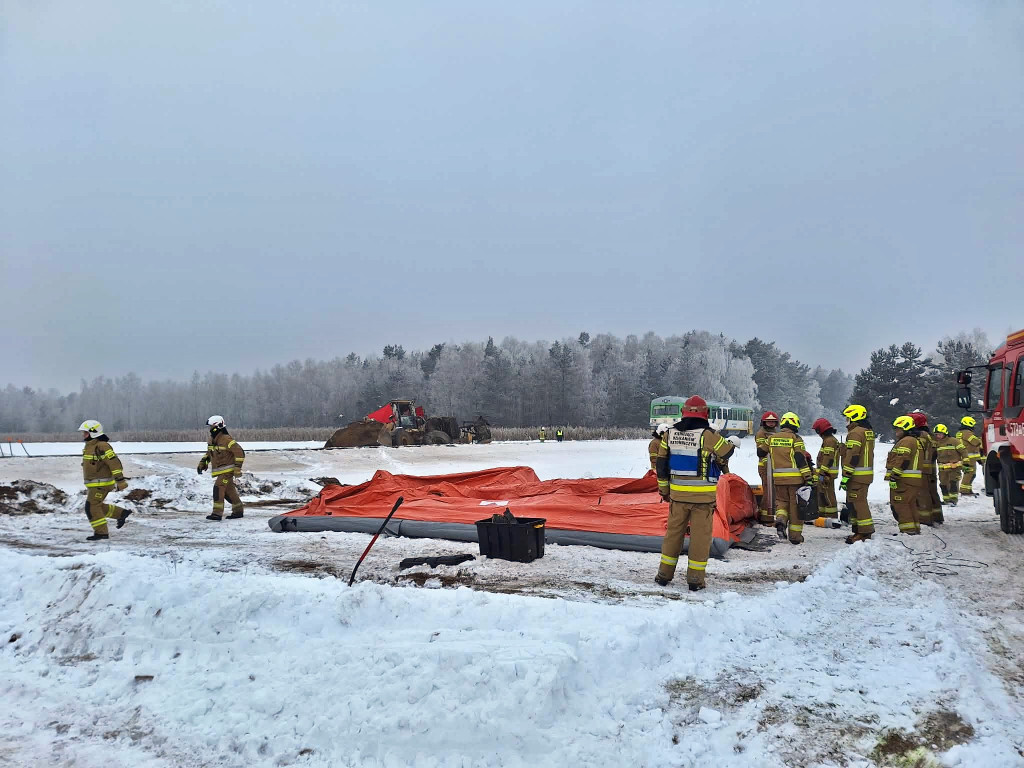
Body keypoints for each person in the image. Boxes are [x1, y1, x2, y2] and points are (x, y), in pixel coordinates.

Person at [654, 395, 735, 591]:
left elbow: (661, 464)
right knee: (700, 538)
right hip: (703, 499)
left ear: (683, 413)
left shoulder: (669, 435)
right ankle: (695, 580)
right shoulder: (708, 435)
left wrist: (664, 490)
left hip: (677, 496)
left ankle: (664, 575)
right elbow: (727, 452)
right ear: (705, 414)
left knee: (673, 535)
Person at [78, 420, 131, 541]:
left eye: (85, 433)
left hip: (101, 484)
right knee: (97, 506)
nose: (83, 435)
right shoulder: (90, 446)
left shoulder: (102, 446)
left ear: (93, 432)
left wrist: (120, 480)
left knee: (91, 507)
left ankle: (101, 533)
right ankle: (121, 513)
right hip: (96, 484)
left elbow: (114, 463)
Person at [769, 412, 813, 544]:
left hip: (779, 479)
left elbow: (761, 451)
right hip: (795, 480)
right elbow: (800, 458)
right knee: (796, 507)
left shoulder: (772, 438)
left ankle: (781, 520)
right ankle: (795, 537)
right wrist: (808, 476)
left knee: (782, 503)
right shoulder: (796, 439)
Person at [197, 415, 246, 521]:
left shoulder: (226, 439)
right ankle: (238, 511)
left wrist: (237, 468)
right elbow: (209, 453)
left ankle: (217, 514)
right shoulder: (212, 439)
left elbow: (240, 453)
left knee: (218, 488)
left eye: (211, 426)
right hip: (221, 470)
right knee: (230, 492)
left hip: (227, 471)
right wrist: (202, 463)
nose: (209, 429)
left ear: (218, 426)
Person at [840, 404, 876, 544]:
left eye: (848, 418)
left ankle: (864, 532)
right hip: (864, 474)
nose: (846, 421)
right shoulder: (867, 431)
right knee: (855, 502)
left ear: (854, 417)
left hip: (856, 475)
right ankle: (858, 530)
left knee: (858, 503)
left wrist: (846, 475)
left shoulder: (855, 433)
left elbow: (853, 455)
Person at [886, 415, 924, 535]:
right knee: (910, 504)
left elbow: (903, 460)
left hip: (904, 480)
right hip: (912, 480)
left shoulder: (907, 441)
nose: (896, 431)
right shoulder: (914, 440)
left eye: (898, 429)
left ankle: (908, 530)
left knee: (900, 504)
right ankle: (914, 528)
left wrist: (894, 476)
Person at [909, 412, 942, 525]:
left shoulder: (920, 436)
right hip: (931, 469)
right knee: (932, 492)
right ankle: (937, 516)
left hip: (921, 469)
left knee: (922, 494)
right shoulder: (930, 436)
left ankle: (924, 519)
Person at [811, 418, 840, 519]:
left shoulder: (829, 441)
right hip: (826, 473)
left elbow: (828, 458)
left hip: (827, 474)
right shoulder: (829, 440)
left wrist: (822, 473)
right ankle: (823, 515)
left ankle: (831, 516)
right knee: (823, 494)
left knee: (828, 495)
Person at [754, 411, 779, 525]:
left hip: (774, 466)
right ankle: (765, 517)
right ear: (764, 422)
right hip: (765, 466)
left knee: (773, 490)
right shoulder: (761, 433)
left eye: (773, 422)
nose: (771, 424)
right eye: (768, 421)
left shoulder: (775, 433)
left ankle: (771, 514)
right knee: (768, 490)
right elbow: (761, 451)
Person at [932, 424, 961, 505]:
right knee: (943, 484)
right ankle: (946, 499)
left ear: (945, 433)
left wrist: (966, 463)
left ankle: (953, 500)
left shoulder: (954, 441)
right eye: (936, 434)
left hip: (954, 468)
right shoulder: (936, 443)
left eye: (940, 434)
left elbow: (963, 451)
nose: (938, 436)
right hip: (943, 469)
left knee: (953, 483)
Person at [956, 416, 983, 497]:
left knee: (970, 474)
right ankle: (964, 491)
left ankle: (968, 490)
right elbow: (976, 442)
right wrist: (981, 440)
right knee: (970, 474)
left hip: (965, 457)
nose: (973, 427)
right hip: (969, 458)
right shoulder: (967, 432)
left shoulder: (960, 433)